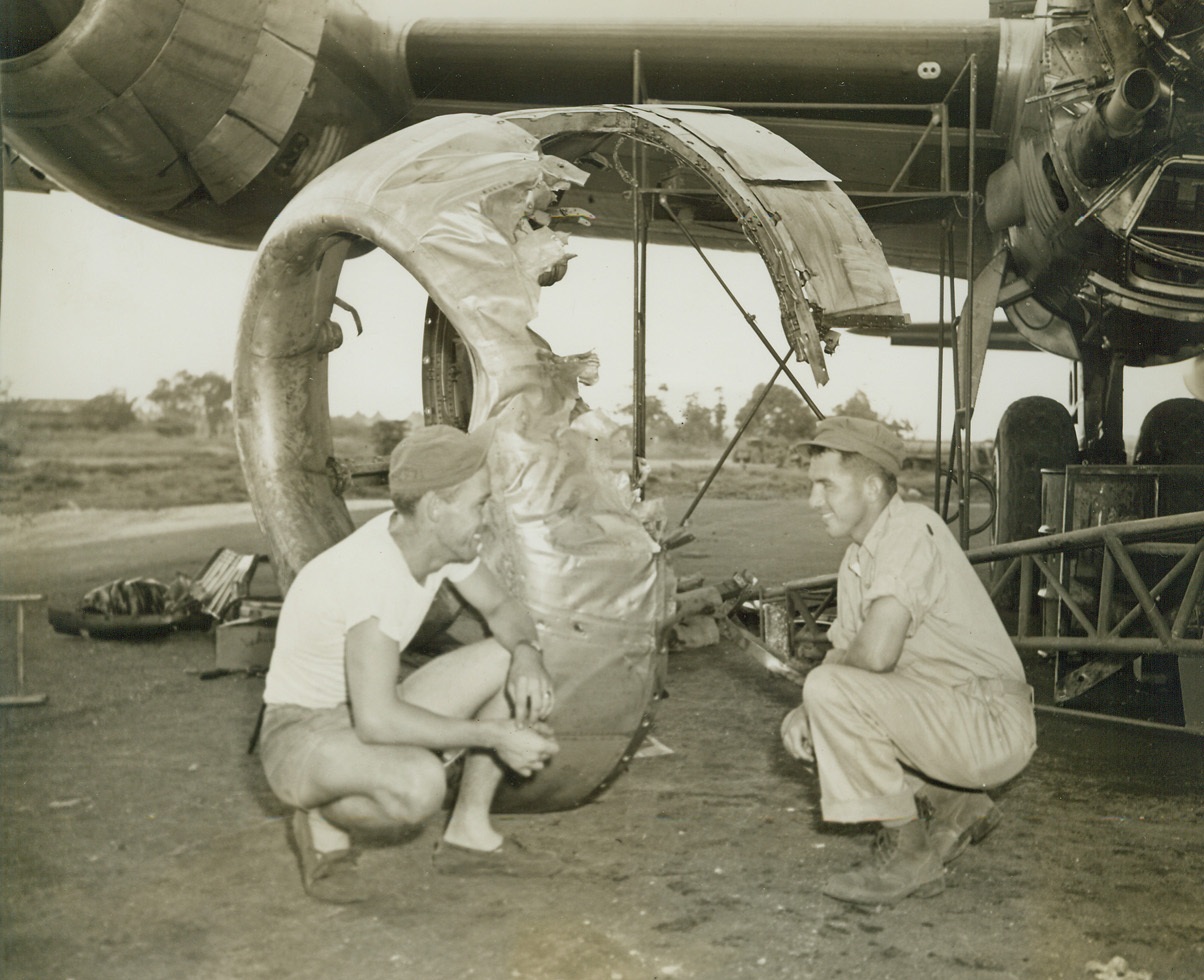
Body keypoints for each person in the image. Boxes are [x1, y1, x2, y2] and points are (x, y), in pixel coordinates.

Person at [259, 423, 561, 903]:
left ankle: (469, 836)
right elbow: (379, 722)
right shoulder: (373, 572)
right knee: (420, 786)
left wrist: (527, 653)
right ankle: (319, 816)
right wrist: (498, 736)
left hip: (368, 706)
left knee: (506, 657)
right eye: (479, 503)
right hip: (301, 733)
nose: (487, 517)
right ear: (437, 507)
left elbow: (502, 609)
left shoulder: (437, 544)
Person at [780, 417, 1036, 907]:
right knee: (826, 692)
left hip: (989, 723)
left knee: (829, 690)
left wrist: (818, 701)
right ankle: (957, 804)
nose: (814, 501)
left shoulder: (910, 529)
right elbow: (844, 650)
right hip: (954, 716)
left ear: (873, 486)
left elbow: (872, 657)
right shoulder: (858, 559)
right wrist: (804, 710)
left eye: (826, 485)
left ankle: (911, 856)